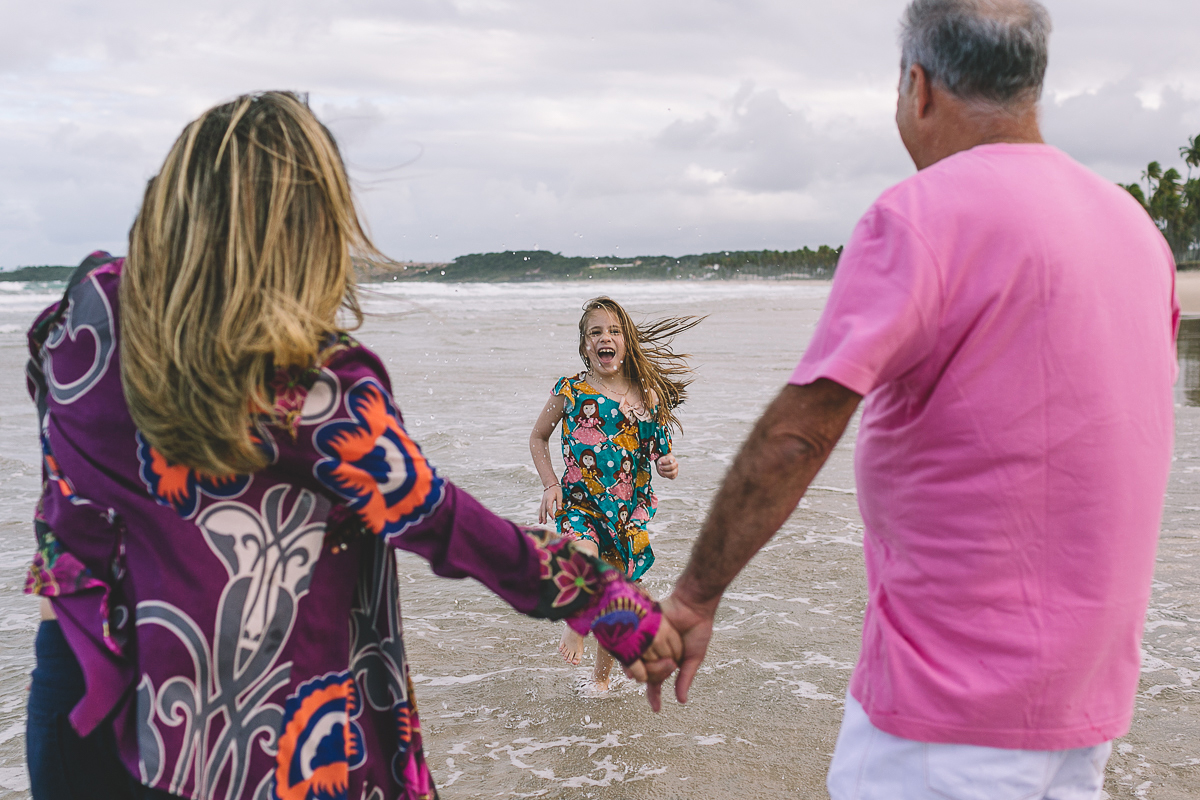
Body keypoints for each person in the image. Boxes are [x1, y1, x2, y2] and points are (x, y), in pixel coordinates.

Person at [23, 92, 677, 800]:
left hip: (73, 703)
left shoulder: (78, 324)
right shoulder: (311, 385)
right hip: (228, 744)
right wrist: (611, 604)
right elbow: (442, 522)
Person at [632, 2, 1180, 798]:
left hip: (944, 721)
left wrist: (692, 597)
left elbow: (798, 436)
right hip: (1087, 712)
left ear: (917, 87)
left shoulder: (919, 218)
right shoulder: (1136, 231)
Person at [529, 297, 697, 691]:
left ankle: (601, 682)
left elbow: (660, 452)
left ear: (627, 341)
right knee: (583, 559)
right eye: (596, 332)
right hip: (579, 506)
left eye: (614, 331)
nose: (606, 338)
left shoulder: (647, 396)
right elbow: (538, 437)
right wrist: (551, 484)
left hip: (624, 516)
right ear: (585, 344)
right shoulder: (569, 390)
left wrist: (668, 465)